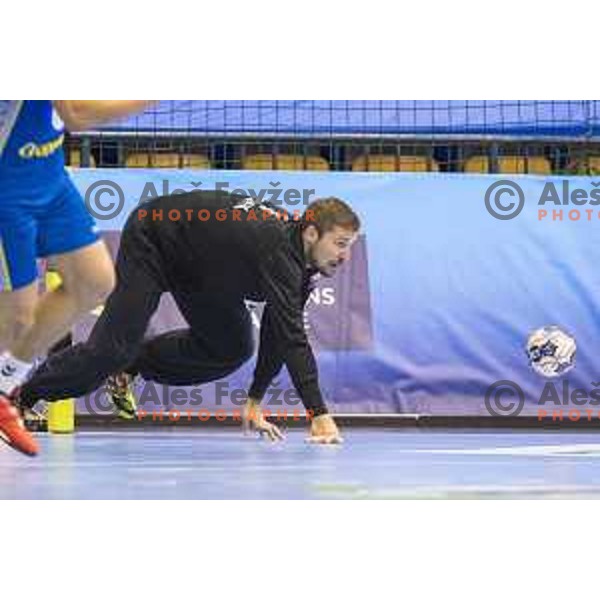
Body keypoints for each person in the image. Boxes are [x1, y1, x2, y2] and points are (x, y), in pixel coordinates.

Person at [13, 190, 361, 451]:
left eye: (350, 246)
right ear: (312, 234)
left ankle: (131, 365)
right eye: (341, 244)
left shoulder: (303, 264)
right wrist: (319, 414)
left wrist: (255, 401)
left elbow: (278, 333)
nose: (345, 256)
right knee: (110, 350)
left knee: (232, 347)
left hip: (205, 268)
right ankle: (21, 396)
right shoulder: (279, 251)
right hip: (156, 239)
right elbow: (293, 338)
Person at [0, 100, 152, 455]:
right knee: (17, 316)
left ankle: (4, 384)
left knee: (94, 280)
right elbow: (77, 114)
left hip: (49, 176)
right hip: (6, 186)